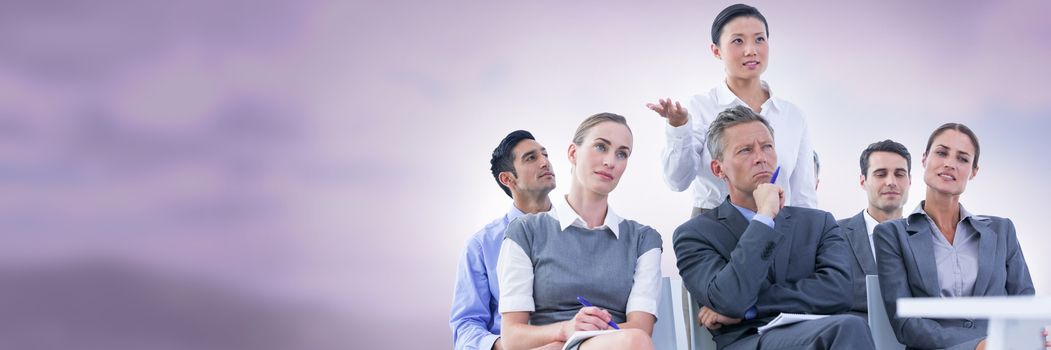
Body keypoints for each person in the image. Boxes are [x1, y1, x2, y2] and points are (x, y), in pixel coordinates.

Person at [673, 106, 873, 350]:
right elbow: (729, 298)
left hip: (819, 332)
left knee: (849, 325)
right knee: (848, 327)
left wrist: (752, 308)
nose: (761, 157)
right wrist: (764, 217)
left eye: (767, 147)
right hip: (749, 341)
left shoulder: (819, 223)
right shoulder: (694, 234)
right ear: (718, 169)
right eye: (746, 150)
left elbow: (839, 292)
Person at [497, 113, 661, 350]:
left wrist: (582, 336)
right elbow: (512, 336)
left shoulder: (643, 240)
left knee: (635, 340)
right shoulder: (525, 232)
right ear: (573, 153)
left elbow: (640, 329)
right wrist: (566, 329)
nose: (610, 161)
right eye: (601, 146)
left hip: (615, 345)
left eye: (622, 153)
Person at [875, 123, 1036, 350]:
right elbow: (905, 323)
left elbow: (1024, 306)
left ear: (974, 171)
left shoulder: (1002, 231)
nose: (950, 163)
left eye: (962, 159)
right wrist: (978, 345)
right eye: (941, 153)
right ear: (924, 159)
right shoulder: (892, 235)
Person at [648, 3, 818, 217]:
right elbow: (677, 181)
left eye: (759, 39)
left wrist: (810, 239)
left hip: (779, 228)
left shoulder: (792, 115)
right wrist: (678, 127)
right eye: (738, 41)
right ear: (716, 51)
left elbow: (803, 196)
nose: (751, 50)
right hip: (712, 228)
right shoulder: (701, 107)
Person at [451, 130, 557, 350]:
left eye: (545, 154)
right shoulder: (481, 246)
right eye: (531, 158)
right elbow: (465, 326)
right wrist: (509, 346)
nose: (545, 162)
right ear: (508, 178)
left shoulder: (582, 230)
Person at [836, 140, 912, 317]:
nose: (891, 182)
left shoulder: (927, 236)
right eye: (881, 174)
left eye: (900, 174)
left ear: (910, 181)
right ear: (863, 181)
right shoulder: (834, 235)